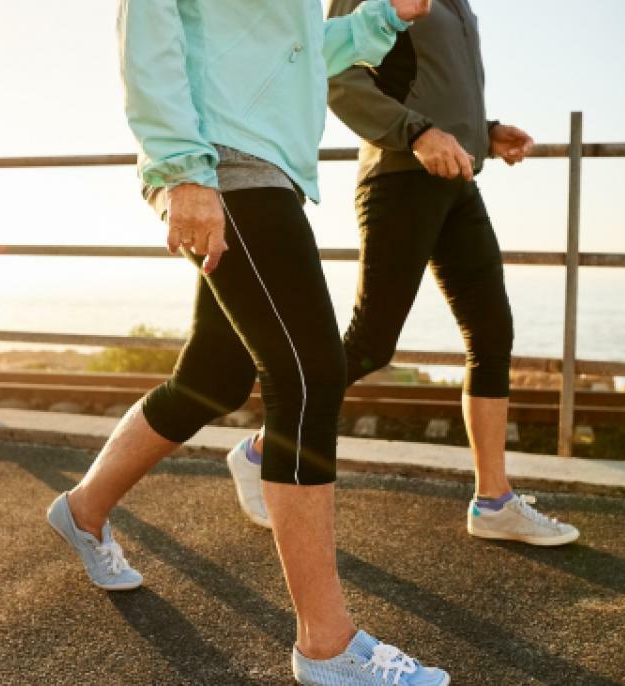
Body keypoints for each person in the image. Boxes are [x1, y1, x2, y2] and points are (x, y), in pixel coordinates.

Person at [46, 1, 450, 684]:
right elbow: (149, 27)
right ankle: (327, 645)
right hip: (222, 161)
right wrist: (182, 169)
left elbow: (298, 46)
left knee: (213, 377)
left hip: (266, 166)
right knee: (310, 376)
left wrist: (385, 16)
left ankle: (82, 511)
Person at [226, 0, 580, 547]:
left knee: (492, 334)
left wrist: (483, 132)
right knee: (372, 342)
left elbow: (431, 80)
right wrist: (415, 133)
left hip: (456, 179)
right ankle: (262, 450)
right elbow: (332, 71)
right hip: (399, 177)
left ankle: (493, 502)